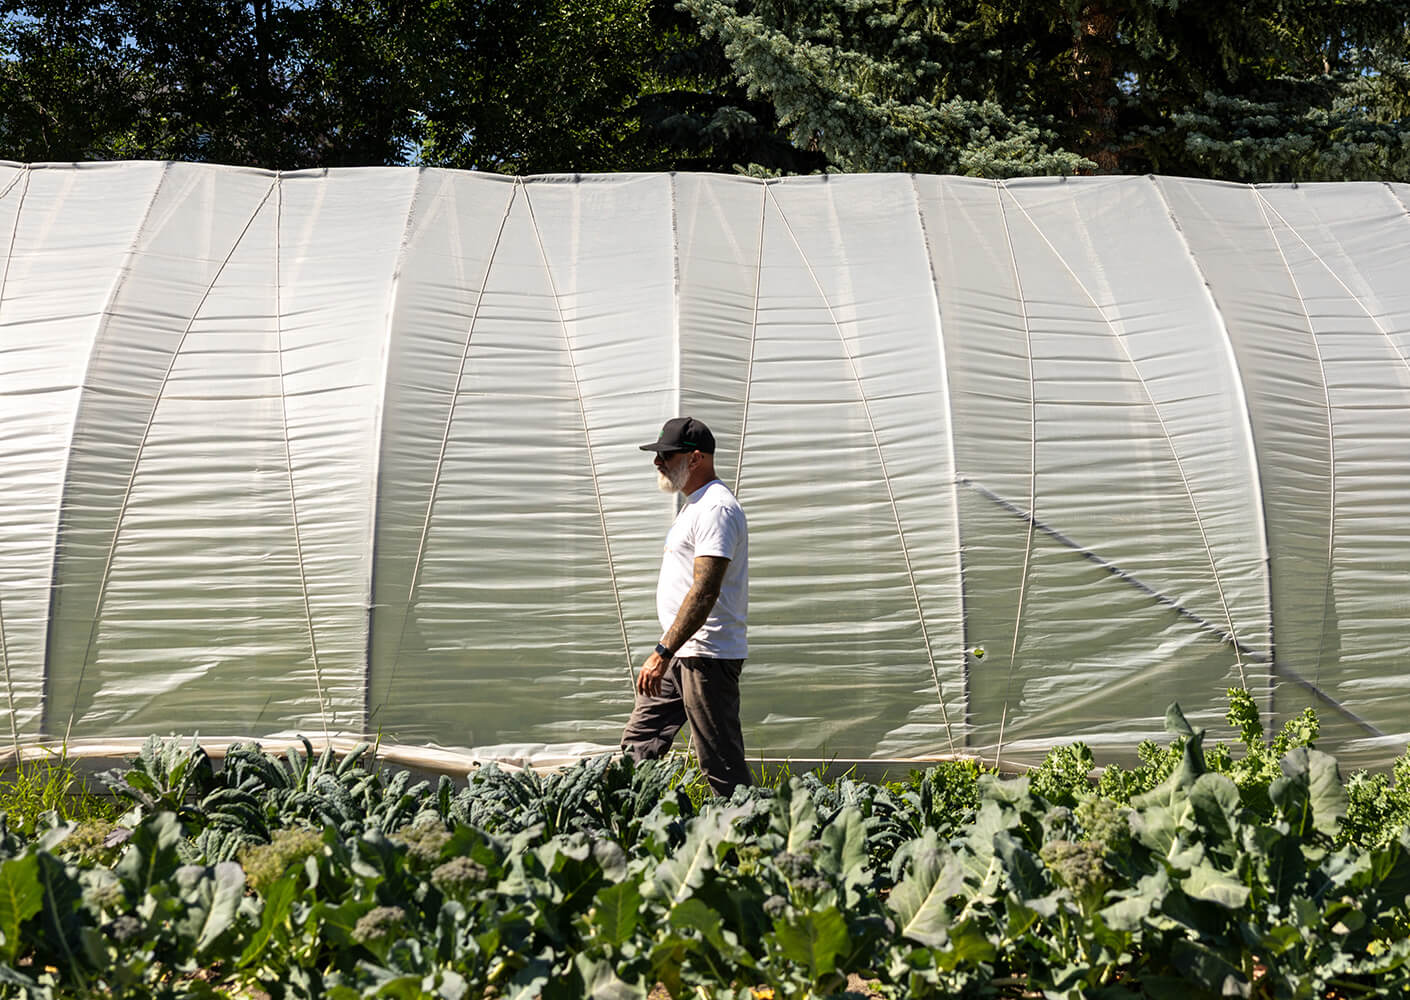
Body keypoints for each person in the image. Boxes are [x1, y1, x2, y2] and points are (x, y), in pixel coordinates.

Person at [622, 416, 752, 796]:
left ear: (695, 459)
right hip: (683, 652)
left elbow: (705, 589)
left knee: (720, 761)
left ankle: (750, 840)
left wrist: (663, 651)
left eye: (666, 454)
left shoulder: (717, 509)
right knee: (638, 744)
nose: (657, 462)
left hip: (706, 656)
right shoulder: (694, 505)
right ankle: (625, 827)